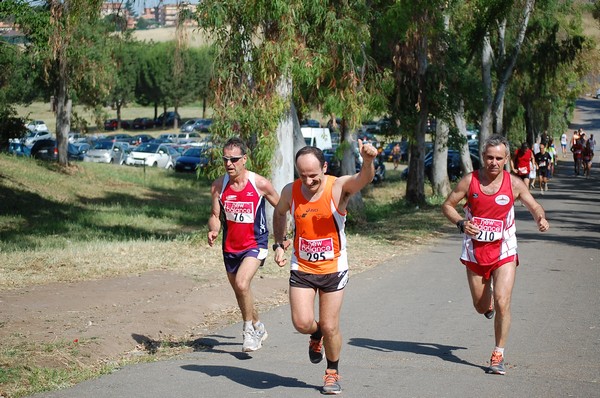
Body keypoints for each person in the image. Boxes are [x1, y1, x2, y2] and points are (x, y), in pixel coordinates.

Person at [272, 140, 377, 394]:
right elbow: (279, 213)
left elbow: (363, 178)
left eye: (314, 176)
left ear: (325, 168)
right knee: (301, 322)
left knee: (331, 326)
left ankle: (332, 372)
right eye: (302, 175)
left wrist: (368, 161)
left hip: (333, 267)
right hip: (302, 266)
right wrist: (278, 242)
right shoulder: (291, 191)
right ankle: (314, 334)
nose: (308, 181)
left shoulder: (337, 187)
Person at [442, 134, 549, 376]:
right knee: (481, 306)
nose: (493, 162)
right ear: (483, 157)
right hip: (475, 250)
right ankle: (485, 303)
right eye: (489, 157)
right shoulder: (470, 181)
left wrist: (540, 218)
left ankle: (498, 354)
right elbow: (447, 205)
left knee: (503, 301)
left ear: (506, 159)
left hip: (504, 249)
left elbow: (534, 206)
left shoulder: (514, 183)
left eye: (499, 158)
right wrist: (460, 222)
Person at [207, 137, 280, 352]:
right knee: (241, 290)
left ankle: (248, 333)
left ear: (244, 159)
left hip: (255, 243)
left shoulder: (260, 184)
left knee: (241, 284)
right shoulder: (219, 186)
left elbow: (282, 208)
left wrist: (282, 239)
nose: (229, 164)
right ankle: (257, 325)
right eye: (225, 159)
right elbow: (214, 214)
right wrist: (214, 229)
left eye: (234, 159)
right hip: (230, 246)